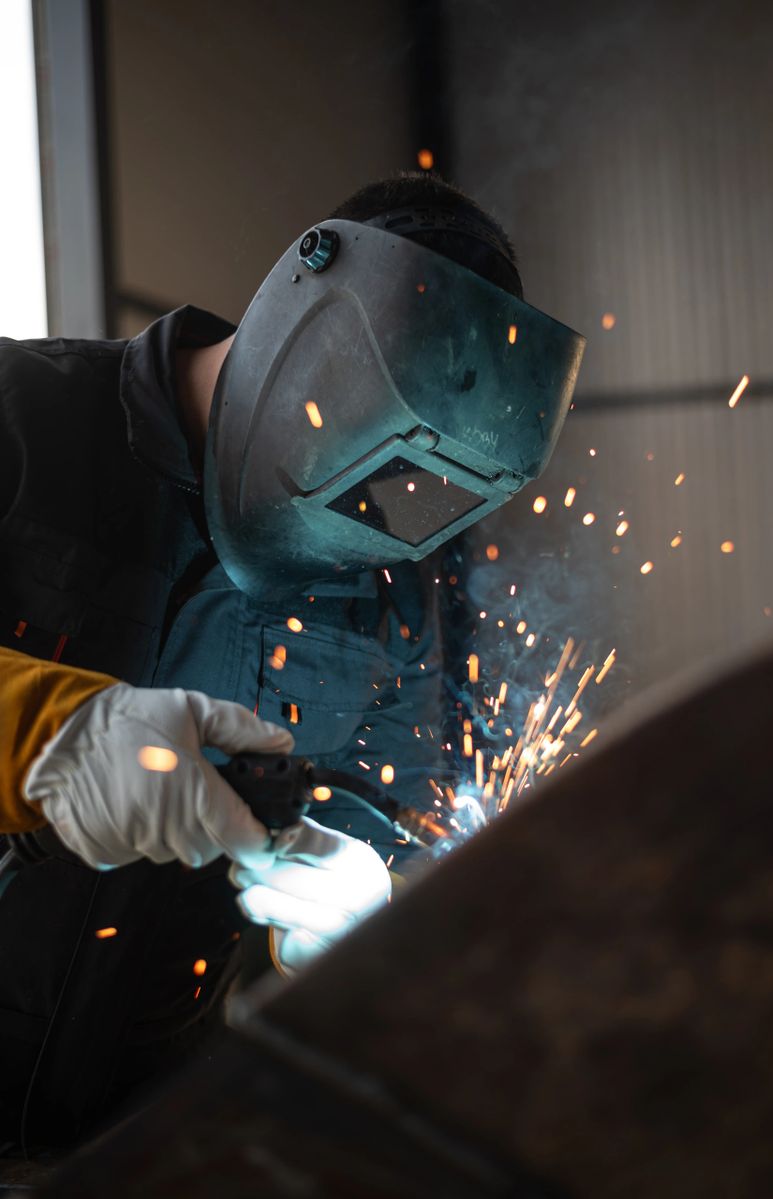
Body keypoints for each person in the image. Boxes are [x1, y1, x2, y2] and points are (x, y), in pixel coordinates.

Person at [0, 171, 584, 1152]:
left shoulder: (394, 549)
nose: (378, 521)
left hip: (137, 1137)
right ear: (298, 345)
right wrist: (47, 735)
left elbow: (385, 782)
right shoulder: (21, 415)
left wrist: (356, 879)